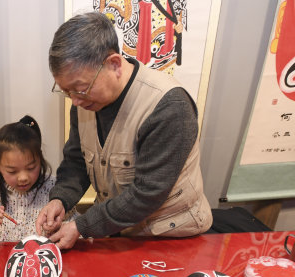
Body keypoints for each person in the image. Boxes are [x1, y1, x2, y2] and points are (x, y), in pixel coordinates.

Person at [36, 12, 212, 249]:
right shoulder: (84, 102)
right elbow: (76, 161)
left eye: (80, 88)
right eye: (66, 91)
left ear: (114, 64)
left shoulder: (169, 106)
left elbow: (148, 193)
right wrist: (60, 199)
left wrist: (82, 226)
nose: (75, 101)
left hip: (171, 237)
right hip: (118, 233)